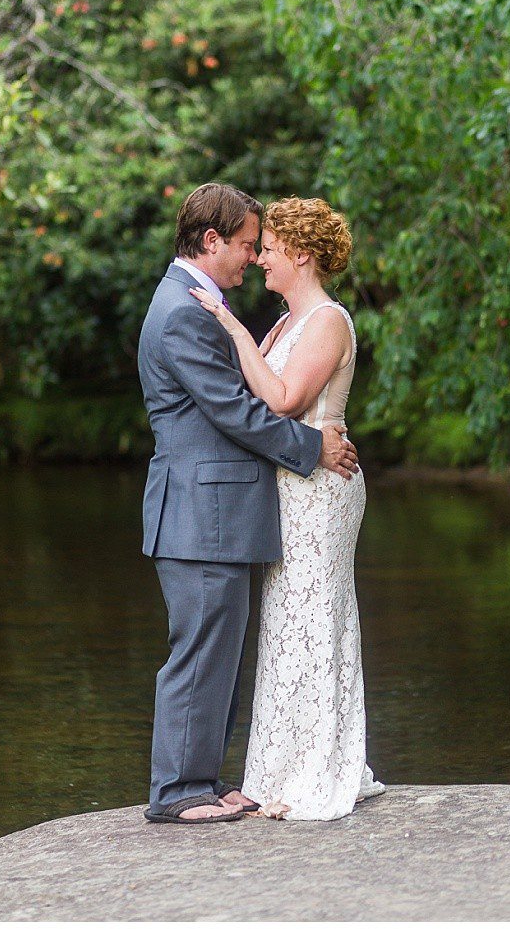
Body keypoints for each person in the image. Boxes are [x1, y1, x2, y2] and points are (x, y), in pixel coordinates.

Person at [136, 182, 359, 825]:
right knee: (201, 648)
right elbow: (235, 411)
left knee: (220, 647)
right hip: (200, 513)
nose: (251, 257)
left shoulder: (193, 302)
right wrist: (310, 447)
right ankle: (178, 793)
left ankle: (201, 780)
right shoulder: (182, 310)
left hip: (214, 511)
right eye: (242, 245)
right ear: (211, 242)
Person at [188, 196, 384, 820]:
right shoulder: (284, 324)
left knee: (316, 618)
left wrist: (231, 327)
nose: (260, 259)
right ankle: (282, 770)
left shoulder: (327, 319)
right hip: (287, 487)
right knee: (286, 624)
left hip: (321, 493)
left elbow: (281, 402)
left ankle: (320, 770)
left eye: (269, 248)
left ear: (301, 254)